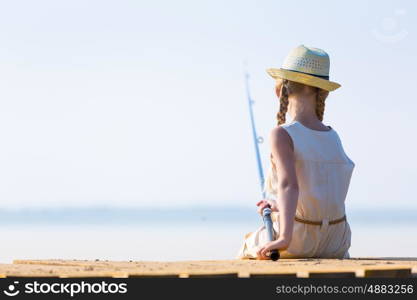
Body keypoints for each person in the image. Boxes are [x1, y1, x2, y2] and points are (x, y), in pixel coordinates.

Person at [236, 45, 355, 259]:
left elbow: (289, 185)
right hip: (338, 240)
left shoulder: (282, 134)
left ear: (279, 91)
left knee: (247, 246)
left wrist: (285, 238)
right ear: (323, 93)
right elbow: (317, 196)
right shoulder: (333, 137)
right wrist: (277, 206)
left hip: (299, 240)